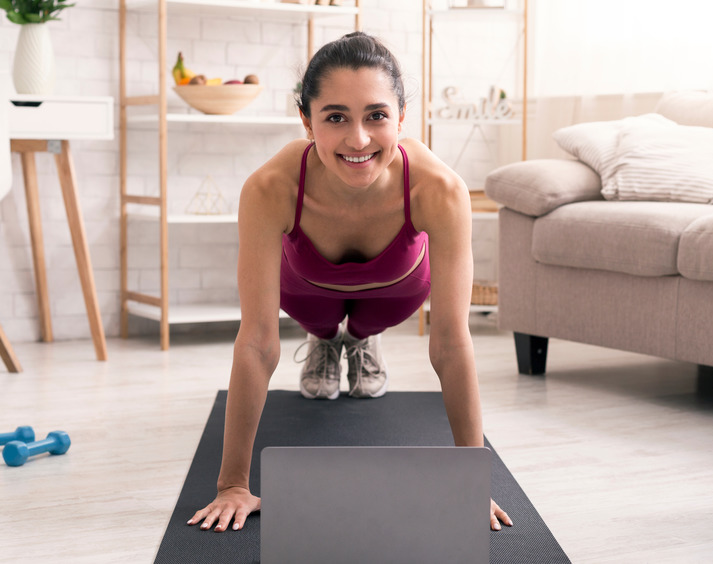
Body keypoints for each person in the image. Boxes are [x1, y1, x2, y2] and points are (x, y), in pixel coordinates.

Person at [186, 31, 512, 534]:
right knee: (318, 321)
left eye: (376, 116)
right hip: (307, 292)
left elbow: (450, 341)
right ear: (306, 120)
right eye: (335, 117)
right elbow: (255, 342)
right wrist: (231, 484)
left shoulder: (439, 189)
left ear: (401, 117)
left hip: (395, 292)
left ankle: (360, 341)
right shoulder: (270, 188)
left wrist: (471, 478)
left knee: (364, 324)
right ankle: (325, 341)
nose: (358, 139)